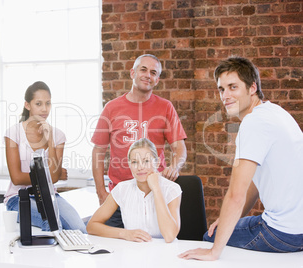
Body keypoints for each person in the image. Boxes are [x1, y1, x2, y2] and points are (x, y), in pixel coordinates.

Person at [179, 56, 303, 261]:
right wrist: (233, 220)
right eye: (221, 89)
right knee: (224, 228)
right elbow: (255, 182)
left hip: (282, 234)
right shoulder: (275, 112)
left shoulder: (253, 123)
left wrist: (214, 251)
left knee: (209, 237)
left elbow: (236, 194)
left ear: (252, 87)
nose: (225, 95)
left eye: (233, 87)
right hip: (299, 231)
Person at [91, 54, 187, 227]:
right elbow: (98, 151)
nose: (147, 75)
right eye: (143, 69)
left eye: (153, 72)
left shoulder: (165, 107)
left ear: (157, 80)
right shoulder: (112, 108)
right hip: (119, 198)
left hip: (153, 196)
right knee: (115, 249)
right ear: (132, 73)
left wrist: (174, 166)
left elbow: (180, 148)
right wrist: (101, 192)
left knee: (155, 246)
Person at [4, 81, 86, 233]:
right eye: (38, 104)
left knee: (79, 228)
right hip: (18, 197)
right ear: (27, 105)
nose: (44, 109)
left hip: (49, 196)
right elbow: (16, 178)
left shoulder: (58, 135)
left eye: (48, 103)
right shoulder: (13, 133)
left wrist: (50, 141)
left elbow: (54, 179)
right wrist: (48, 176)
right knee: (51, 222)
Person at [87, 138, 182, 242]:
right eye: (135, 162)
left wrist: (156, 189)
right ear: (129, 164)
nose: (140, 167)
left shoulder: (172, 189)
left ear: (157, 162)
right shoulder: (122, 189)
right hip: (133, 252)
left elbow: (169, 236)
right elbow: (92, 226)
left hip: (166, 253)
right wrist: (124, 233)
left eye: (146, 161)